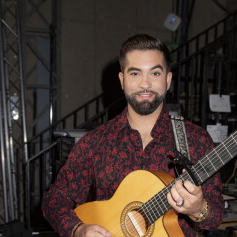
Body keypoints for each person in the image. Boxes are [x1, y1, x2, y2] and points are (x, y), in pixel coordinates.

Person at [42, 34, 224, 236]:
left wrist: (199, 210)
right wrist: (77, 229)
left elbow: (216, 216)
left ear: (168, 79)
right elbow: (55, 199)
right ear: (122, 80)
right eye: (135, 74)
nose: (145, 84)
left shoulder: (195, 140)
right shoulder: (96, 142)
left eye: (155, 74)